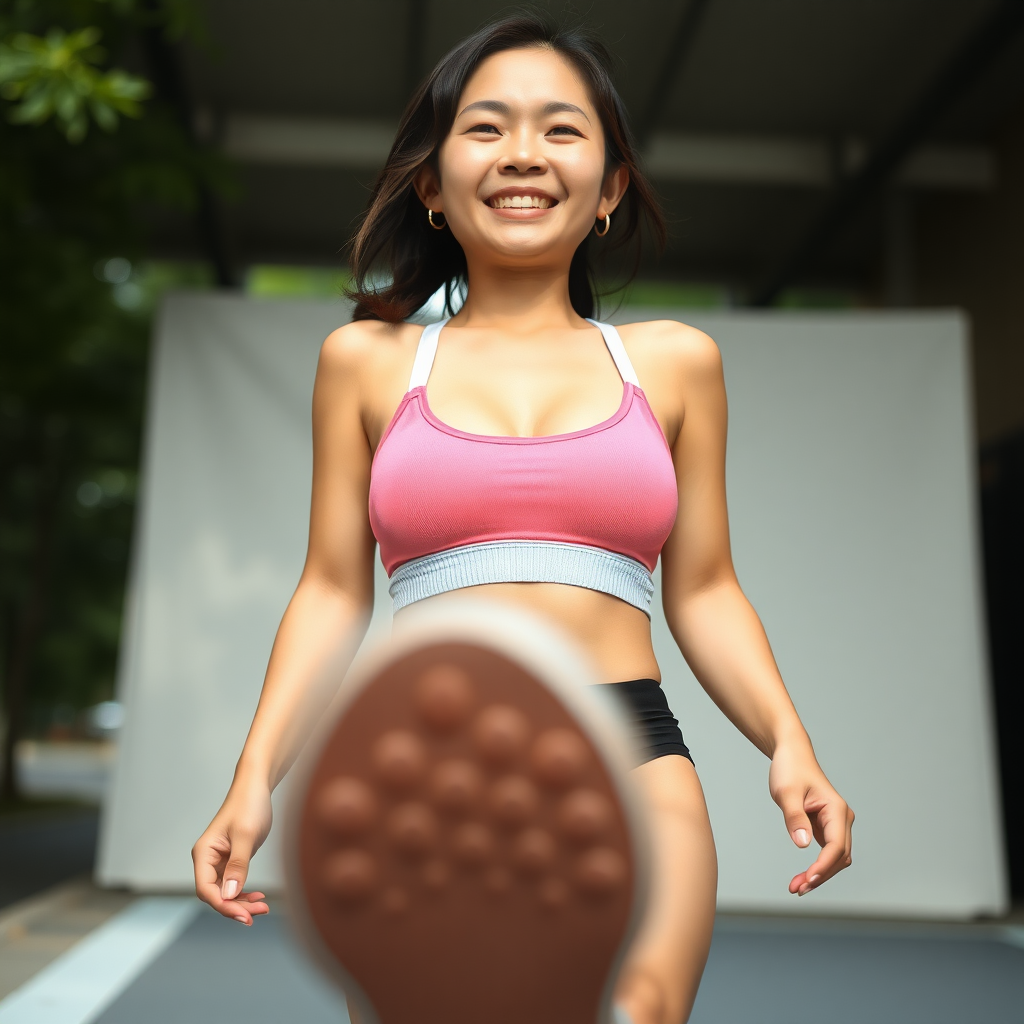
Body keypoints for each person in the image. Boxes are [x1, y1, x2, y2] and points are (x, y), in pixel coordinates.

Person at [192, 15, 854, 1024]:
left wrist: (788, 741)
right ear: (432, 183)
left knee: (634, 1011)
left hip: (633, 746)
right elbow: (331, 590)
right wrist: (253, 780)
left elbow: (707, 587)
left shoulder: (676, 363)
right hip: (428, 767)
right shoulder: (364, 362)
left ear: (611, 188)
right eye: (486, 128)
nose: (523, 156)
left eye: (561, 130)